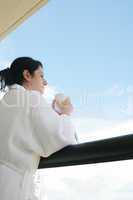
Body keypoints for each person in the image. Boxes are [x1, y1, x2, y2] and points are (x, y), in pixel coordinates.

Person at [0, 57, 78, 200]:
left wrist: (54, 114)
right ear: (27, 75)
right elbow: (61, 136)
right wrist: (65, 113)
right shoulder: (32, 98)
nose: (45, 82)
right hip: (11, 186)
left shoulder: (5, 102)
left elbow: (26, 129)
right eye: (41, 76)